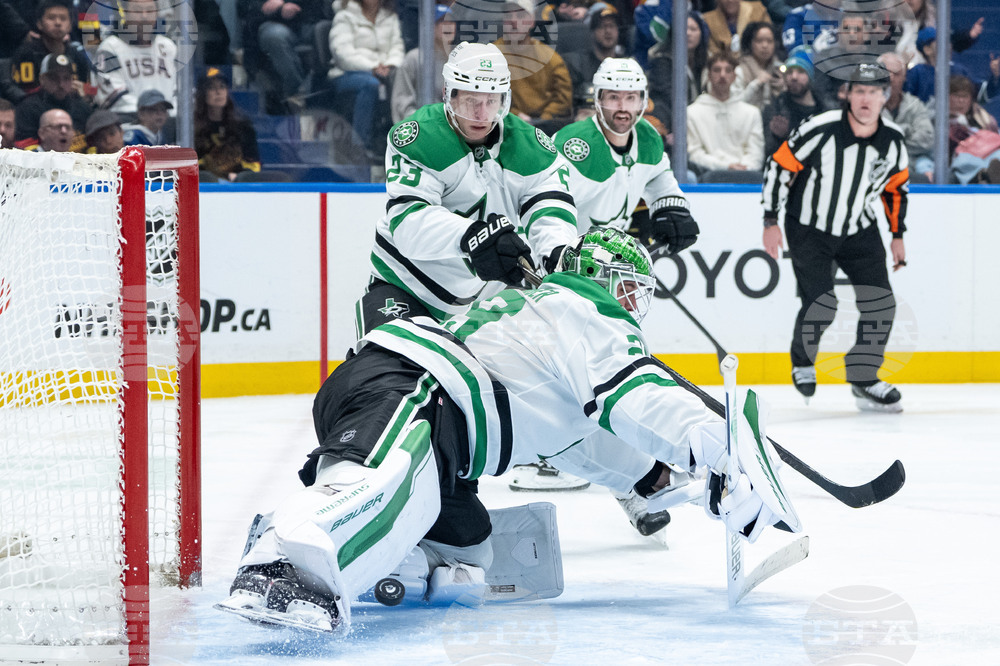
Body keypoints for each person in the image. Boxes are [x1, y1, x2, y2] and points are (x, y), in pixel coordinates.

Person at [216, 227, 800, 633]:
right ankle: (280, 563)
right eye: (630, 286)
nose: (634, 303)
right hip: (416, 385)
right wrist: (725, 447)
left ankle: (309, 540)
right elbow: (639, 396)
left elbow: (595, 447)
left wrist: (699, 485)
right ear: (605, 276)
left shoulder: (557, 347)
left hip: (429, 417)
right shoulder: (586, 308)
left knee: (464, 557)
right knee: (386, 487)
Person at [761, 62, 909, 412]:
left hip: (859, 228)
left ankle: (864, 376)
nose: (866, 99)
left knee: (880, 303)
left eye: (874, 92)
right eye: (859, 90)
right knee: (821, 304)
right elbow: (779, 165)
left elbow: (895, 189)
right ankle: (802, 359)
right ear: (847, 94)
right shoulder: (819, 129)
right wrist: (771, 219)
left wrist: (897, 235)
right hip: (809, 227)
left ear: (885, 97)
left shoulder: (893, 141)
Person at [327, 0, 405, 154]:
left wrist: (389, 65)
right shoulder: (345, 16)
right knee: (370, 84)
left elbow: (398, 46)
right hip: (348, 73)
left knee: (403, 79)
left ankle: (401, 143)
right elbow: (342, 53)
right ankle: (360, 146)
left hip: (385, 71)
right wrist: (373, 66)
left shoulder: (391, 17)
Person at [494, 0, 572, 131]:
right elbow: (489, 97)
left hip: (545, 127)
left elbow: (563, 98)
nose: (513, 21)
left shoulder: (550, 57)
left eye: (520, 16)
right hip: (504, 124)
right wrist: (516, 115)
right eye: (508, 16)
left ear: (531, 21)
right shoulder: (492, 55)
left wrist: (543, 119)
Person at [686, 51, 765, 175]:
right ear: (709, 75)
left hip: (747, 178)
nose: (722, 75)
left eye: (728, 70)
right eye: (717, 70)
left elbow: (755, 153)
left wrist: (743, 168)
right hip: (708, 180)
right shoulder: (691, 112)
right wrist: (726, 167)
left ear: (734, 76)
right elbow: (695, 154)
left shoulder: (752, 113)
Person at [94, 0, 178, 115]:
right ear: (125, 13)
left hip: (167, 122)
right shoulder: (110, 48)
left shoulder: (168, 47)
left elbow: (179, 92)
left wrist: (167, 114)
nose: (144, 16)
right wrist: (150, 114)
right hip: (127, 123)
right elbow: (113, 96)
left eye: (149, 10)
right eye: (138, 11)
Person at [9, 0, 92, 98]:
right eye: (51, 18)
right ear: (39, 23)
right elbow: (20, 92)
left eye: (63, 18)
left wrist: (85, 91)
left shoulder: (78, 56)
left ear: (70, 26)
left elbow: (90, 89)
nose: (58, 23)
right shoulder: (25, 55)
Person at [904, 26, 1000, 105]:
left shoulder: (959, 70)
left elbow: (982, 95)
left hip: (956, 124)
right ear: (927, 49)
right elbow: (905, 100)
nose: (948, 45)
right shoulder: (916, 72)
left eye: (948, 41)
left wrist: (995, 77)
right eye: (941, 41)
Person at [761, 45, 829, 158]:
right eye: (789, 72)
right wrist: (779, 137)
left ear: (810, 76)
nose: (794, 77)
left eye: (801, 71)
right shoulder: (775, 110)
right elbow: (768, 154)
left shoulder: (825, 111)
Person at [390, 4, 454, 124]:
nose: (448, 26)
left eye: (451, 21)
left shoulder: (460, 61)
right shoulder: (413, 59)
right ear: (430, 27)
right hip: (422, 128)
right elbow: (401, 103)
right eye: (441, 21)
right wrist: (422, 124)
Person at [194, 69, 261, 181]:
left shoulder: (243, 127)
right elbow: (191, 167)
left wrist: (239, 176)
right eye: (211, 88)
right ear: (203, 93)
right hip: (205, 187)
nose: (218, 92)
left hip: (238, 188)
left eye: (222, 87)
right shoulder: (192, 129)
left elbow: (253, 164)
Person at [647, 11, 711, 127]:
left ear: (701, 33)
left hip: (700, 119)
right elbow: (668, 97)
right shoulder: (662, 61)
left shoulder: (707, 62)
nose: (688, 33)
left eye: (693, 29)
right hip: (671, 120)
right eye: (684, 28)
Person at [876, 52, 933, 180]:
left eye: (896, 74)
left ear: (904, 78)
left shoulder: (915, 105)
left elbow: (927, 139)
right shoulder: (868, 105)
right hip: (878, 162)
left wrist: (894, 136)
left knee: (927, 171)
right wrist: (907, 130)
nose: (890, 78)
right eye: (885, 72)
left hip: (913, 162)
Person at [562, 3, 624, 119]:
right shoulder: (577, 64)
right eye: (602, 26)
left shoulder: (626, 65)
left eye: (612, 26)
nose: (608, 31)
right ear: (592, 32)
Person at [14, 53, 93, 144]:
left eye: (66, 78)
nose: (61, 84)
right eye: (54, 78)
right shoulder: (27, 110)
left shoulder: (83, 108)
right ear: (42, 79)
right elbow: (25, 149)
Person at [731, 21, 784, 111]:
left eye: (769, 41)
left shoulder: (780, 69)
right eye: (759, 41)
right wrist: (755, 84)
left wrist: (783, 88)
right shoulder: (740, 70)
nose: (765, 46)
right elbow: (734, 105)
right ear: (750, 43)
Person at [702, 0, 772, 57]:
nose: (730, 1)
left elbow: (769, 39)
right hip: (724, 66)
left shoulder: (758, 11)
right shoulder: (708, 20)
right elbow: (713, 52)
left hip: (756, 62)